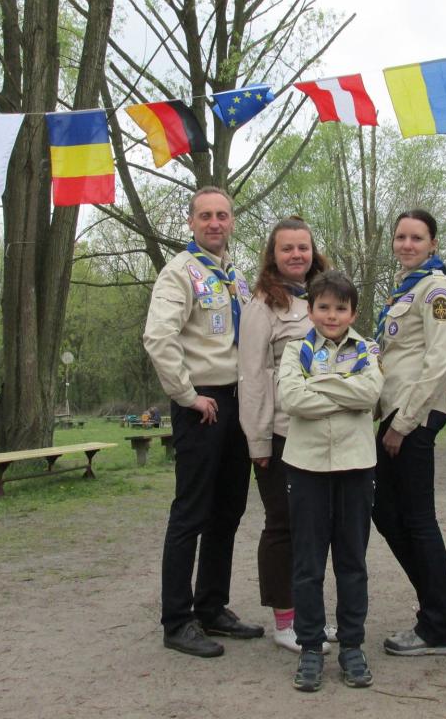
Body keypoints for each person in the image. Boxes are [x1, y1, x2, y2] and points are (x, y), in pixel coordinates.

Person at [143, 186, 263, 658]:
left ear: (232, 222)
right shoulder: (179, 273)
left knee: (228, 510)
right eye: (206, 216)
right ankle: (177, 620)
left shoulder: (235, 276)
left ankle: (211, 606)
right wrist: (187, 395)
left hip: (237, 402)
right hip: (203, 405)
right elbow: (159, 337)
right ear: (191, 223)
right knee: (191, 512)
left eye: (222, 216)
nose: (215, 223)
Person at [278, 271, 384, 692]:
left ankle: (352, 646)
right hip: (306, 468)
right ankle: (310, 647)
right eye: (323, 307)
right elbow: (292, 398)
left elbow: (370, 395)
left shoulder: (367, 350)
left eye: (341, 308)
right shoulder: (295, 350)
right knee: (308, 563)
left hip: (356, 467)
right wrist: (344, 390)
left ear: (353, 313)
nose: (332, 315)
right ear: (310, 310)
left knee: (352, 562)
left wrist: (318, 384)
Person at [372, 209, 446, 656]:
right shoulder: (405, 289)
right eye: (401, 237)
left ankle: (439, 625)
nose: (407, 245)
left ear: (433, 244)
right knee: (386, 513)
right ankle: (435, 610)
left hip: (414, 415)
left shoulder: (436, 289)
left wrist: (404, 424)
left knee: (417, 519)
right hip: (394, 411)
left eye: (417, 238)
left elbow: (438, 361)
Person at [238, 217, 330, 653]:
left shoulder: (324, 297)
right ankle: (285, 621)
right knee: (284, 526)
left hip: (324, 433)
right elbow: (252, 376)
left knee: (317, 528)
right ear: (272, 256)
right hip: (281, 435)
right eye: (287, 248)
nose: (296, 255)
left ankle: (311, 614)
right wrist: (257, 440)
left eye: (303, 247)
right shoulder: (262, 305)